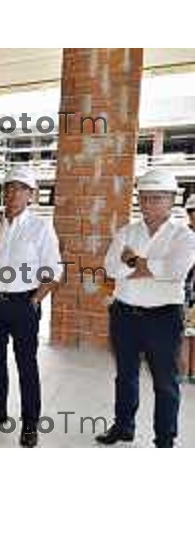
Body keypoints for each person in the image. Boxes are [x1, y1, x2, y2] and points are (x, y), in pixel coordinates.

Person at [97, 169, 195, 448]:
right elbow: (110, 268)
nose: (150, 203)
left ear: (172, 200)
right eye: (145, 197)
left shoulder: (184, 237)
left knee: (165, 382)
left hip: (163, 318)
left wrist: (133, 262)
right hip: (125, 314)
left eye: (158, 197)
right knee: (125, 375)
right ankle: (123, 427)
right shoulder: (127, 231)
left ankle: (164, 439)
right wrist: (150, 267)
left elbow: (175, 271)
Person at [0, 166, 62, 447]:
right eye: (9, 187)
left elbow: (53, 270)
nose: (12, 193)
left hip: (24, 304)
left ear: (30, 195)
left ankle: (30, 424)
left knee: (27, 364)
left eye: (20, 188)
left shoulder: (40, 227)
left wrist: (35, 300)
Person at [181, 194, 195, 383]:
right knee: (184, 332)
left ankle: (193, 373)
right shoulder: (184, 235)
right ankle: (182, 372)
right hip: (185, 290)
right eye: (192, 213)